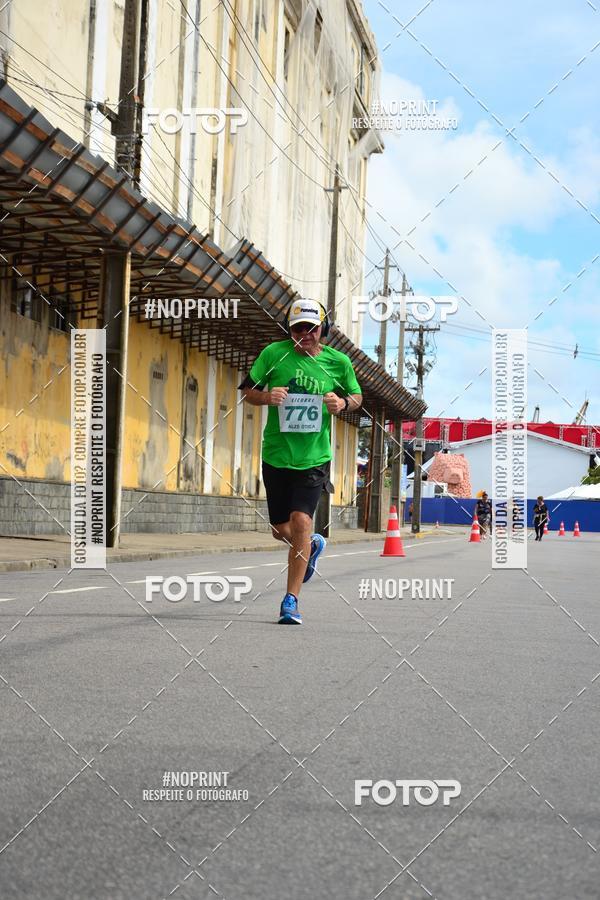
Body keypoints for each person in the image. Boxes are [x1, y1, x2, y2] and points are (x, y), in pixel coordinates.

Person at [239, 298, 362, 625]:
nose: (304, 334)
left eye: (312, 328)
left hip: (314, 458)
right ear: (289, 329)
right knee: (281, 529)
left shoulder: (338, 362)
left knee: (302, 521)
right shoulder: (273, 354)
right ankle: (312, 545)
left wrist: (342, 403)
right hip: (276, 455)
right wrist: (267, 396)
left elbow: (356, 396)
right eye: (298, 329)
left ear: (324, 329)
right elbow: (248, 391)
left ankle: (290, 601)